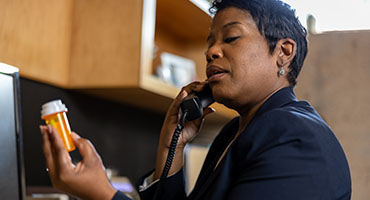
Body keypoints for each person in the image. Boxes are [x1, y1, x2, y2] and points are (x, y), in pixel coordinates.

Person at [40, 0, 352, 199]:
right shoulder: (234, 132)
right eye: (210, 43)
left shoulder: (296, 137)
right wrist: (170, 150)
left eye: (231, 37)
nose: (211, 52)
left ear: (283, 52)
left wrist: (103, 195)